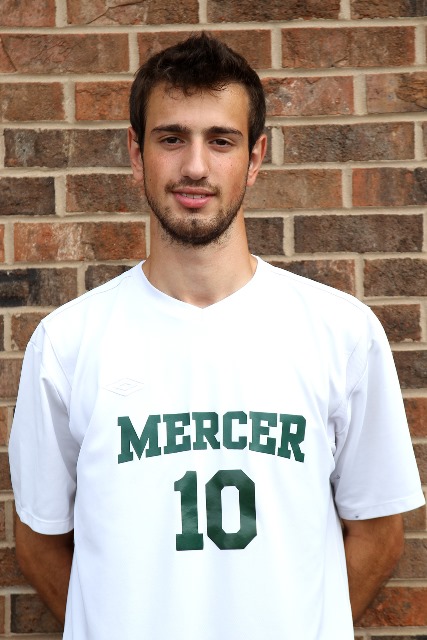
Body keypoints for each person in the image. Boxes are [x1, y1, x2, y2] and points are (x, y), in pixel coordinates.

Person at [9, 33, 425, 640]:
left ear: (255, 157)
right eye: (171, 138)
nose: (195, 167)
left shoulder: (342, 333)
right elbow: (39, 542)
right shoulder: (67, 344)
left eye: (221, 140)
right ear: (136, 154)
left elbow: (379, 533)